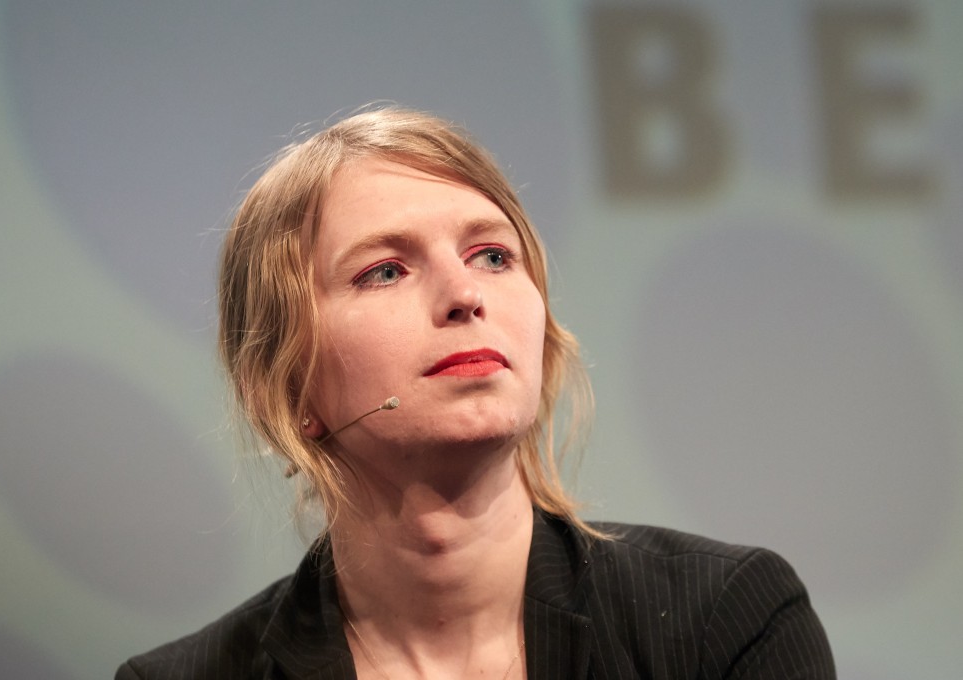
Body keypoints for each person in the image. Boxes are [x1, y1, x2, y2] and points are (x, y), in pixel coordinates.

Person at [116, 107, 836, 679]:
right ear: (282, 383)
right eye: (386, 271)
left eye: (493, 256)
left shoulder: (726, 620)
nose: (465, 295)